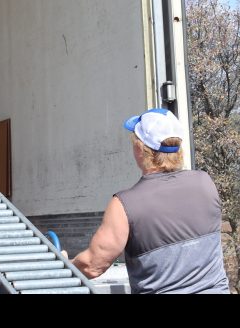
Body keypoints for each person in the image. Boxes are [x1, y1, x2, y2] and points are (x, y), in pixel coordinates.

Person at [68, 108, 230, 294]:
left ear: (139, 149)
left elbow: (92, 266)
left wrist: (64, 264)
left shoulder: (124, 205)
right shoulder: (205, 183)